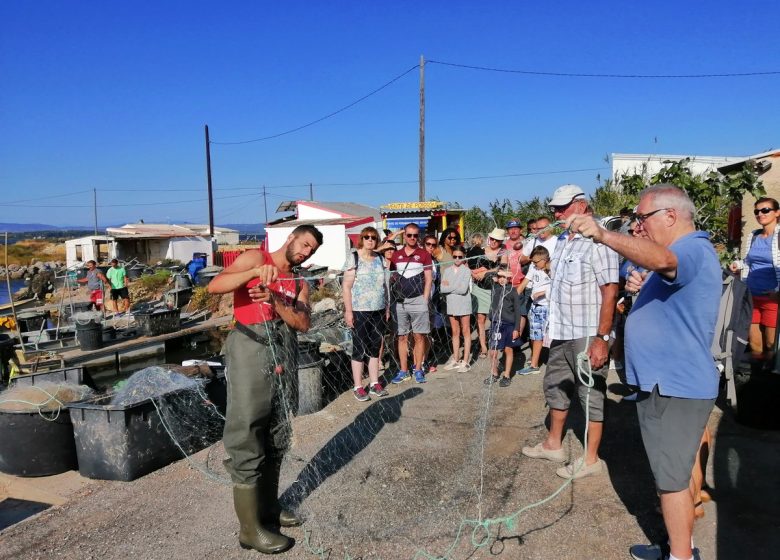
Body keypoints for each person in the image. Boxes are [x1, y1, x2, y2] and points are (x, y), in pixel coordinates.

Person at [567, 184, 720, 560]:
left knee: (671, 482)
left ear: (670, 215)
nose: (638, 224)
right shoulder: (680, 254)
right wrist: (642, 287)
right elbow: (668, 282)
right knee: (670, 478)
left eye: (642, 217)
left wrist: (603, 233)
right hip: (663, 383)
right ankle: (676, 546)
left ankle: (681, 556)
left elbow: (665, 262)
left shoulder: (693, 248)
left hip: (675, 385)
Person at [207, 224, 322, 554]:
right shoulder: (256, 257)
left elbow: (302, 323)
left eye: (311, 250)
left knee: (278, 431)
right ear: (290, 238)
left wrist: (275, 299)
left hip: (284, 352)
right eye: (303, 244)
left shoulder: (299, 282)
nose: (305, 252)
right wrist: (255, 273)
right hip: (251, 348)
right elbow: (216, 286)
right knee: (247, 431)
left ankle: (269, 509)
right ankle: (250, 529)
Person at [521, 184, 618, 481]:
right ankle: (553, 444)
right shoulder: (563, 240)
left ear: (582, 205)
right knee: (555, 384)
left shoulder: (599, 240)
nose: (556, 213)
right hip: (561, 330)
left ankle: (591, 460)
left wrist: (602, 339)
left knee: (590, 394)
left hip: (588, 332)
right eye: (554, 208)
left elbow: (610, 290)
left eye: (562, 208)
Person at [729, 197, 780, 373]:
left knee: (772, 344)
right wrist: (738, 265)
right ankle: (758, 379)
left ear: (777, 213)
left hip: (772, 298)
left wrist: (778, 292)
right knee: (754, 343)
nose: (760, 214)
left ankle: (772, 382)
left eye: (765, 210)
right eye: (757, 211)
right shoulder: (755, 235)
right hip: (751, 295)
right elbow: (748, 262)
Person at [342, 226, 390, 402]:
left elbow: (384, 286)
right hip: (359, 310)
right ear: (361, 239)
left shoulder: (380, 259)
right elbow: (346, 287)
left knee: (375, 347)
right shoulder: (354, 258)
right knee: (359, 348)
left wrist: (386, 307)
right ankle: (358, 386)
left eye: (373, 237)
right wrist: (348, 311)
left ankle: (374, 382)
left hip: (378, 309)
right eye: (367, 237)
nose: (370, 240)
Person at [389, 223, 433, 384]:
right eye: (409, 235)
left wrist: (425, 298)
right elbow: (390, 276)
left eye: (415, 235)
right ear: (404, 235)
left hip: (418, 300)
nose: (412, 238)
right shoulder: (396, 255)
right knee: (401, 337)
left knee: (419, 336)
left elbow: (429, 278)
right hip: (400, 302)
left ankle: (418, 369)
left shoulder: (423, 254)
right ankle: (403, 370)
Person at [470, 228, 508, 358]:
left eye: (496, 240)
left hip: (494, 288)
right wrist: (476, 273)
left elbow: (502, 268)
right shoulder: (481, 250)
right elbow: (470, 265)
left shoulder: (503, 252)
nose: (493, 242)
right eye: (492, 239)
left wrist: (485, 272)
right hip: (479, 288)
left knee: (495, 317)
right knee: (480, 318)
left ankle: (495, 341)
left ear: (501, 241)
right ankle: (483, 347)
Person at [483, 267, 523, 387]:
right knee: (493, 351)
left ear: (509, 278)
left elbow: (517, 311)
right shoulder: (495, 289)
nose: (502, 280)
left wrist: (517, 328)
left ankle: (506, 375)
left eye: (504, 277)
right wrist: (498, 272)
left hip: (509, 325)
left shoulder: (513, 291)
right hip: (496, 324)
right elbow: (486, 276)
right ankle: (494, 373)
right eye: (500, 277)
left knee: (508, 350)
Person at [516, 245, 551, 375]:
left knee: (541, 336)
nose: (534, 264)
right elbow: (524, 283)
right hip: (535, 306)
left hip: (546, 306)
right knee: (535, 335)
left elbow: (557, 286)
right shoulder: (534, 267)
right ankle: (534, 362)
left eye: (536, 262)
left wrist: (543, 292)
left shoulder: (552, 269)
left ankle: (536, 364)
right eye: (533, 262)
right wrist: (512, 297)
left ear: (545, 259)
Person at [440, 245, 472, 372]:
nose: (457, 259)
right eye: (455, 256)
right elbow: (443, 289)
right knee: (454, 332)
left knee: (466, 331)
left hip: (464, 303)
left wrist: (450, 286)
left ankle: (465, 361)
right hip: (452, 303)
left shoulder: (466, 270)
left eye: (460, 256)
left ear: (464, 257)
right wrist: (455, 286)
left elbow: (463, 289)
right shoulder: (447, 271)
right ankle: (456, 358)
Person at [423, 234, 445, 373]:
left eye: (433, 245)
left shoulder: (435, 261)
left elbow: (436, 283)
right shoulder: (418, 260)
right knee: (419, 334)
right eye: (428, 244)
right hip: (419, 301)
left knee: (430, 332)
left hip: (432, 301)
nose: (431, 247)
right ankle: (417, 362)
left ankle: (425, 360)